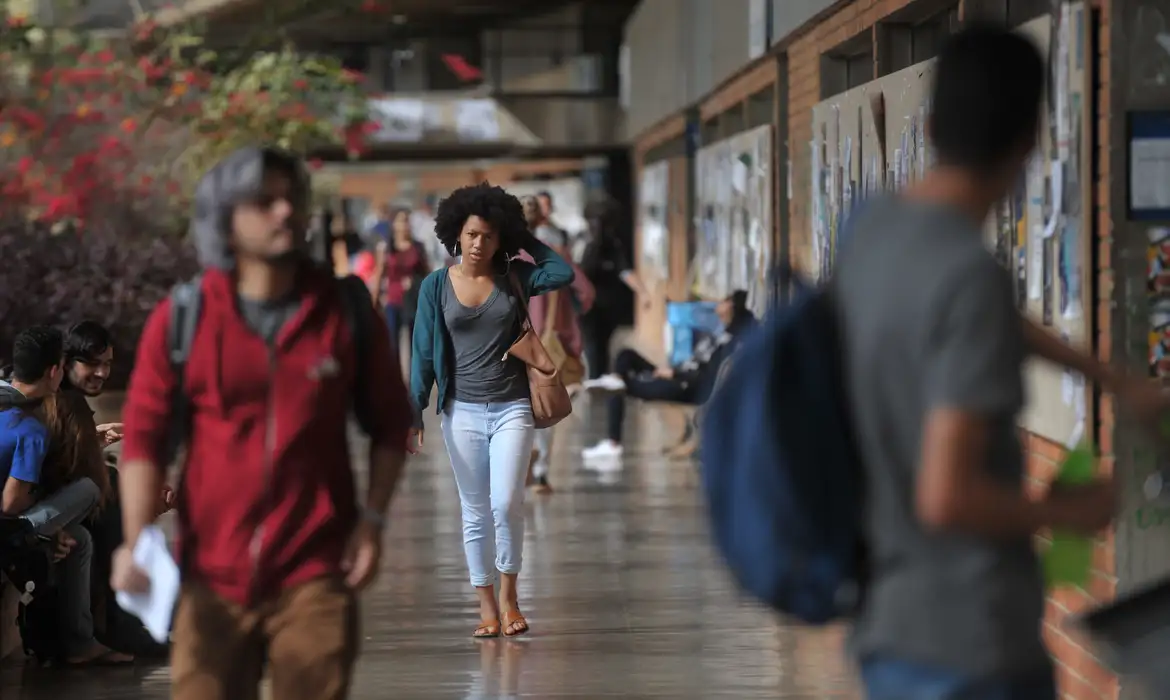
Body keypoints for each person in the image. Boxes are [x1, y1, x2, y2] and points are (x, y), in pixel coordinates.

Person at [834, 25, 1168, 699]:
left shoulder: (872, 232)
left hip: (887, 625)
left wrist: (1105, 375)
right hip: (968, 645)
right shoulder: (968, 278)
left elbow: (968, 317)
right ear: (1029, 142)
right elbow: (948, 496)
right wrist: (1067, 512)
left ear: (931, 128)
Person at [111, 146, 413, 700]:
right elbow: (144, 440)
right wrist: (135, 539)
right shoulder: (184, 318)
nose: (285, 211)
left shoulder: (342, 310)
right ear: (226, 216)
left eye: (292, 198)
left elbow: (392, 424)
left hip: (316, 570)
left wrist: (372, 521)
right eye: (264, 201)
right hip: (210, 577)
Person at [409, 182, 574, 638]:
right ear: (456, 235)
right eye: (472, 234)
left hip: (512, 407)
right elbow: (422, 353)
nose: (479, 243)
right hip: (460, 412)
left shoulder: (514, 277)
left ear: (500, 237)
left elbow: (560, 272)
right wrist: (414, 410)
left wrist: (523, 238)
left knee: (506, 502)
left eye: (489, 235)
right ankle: (485, 603)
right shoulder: (435, 286)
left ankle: (509, 596)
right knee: (475, 511)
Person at [0, 325, 131, 665]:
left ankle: (79, 643)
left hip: (13, 522)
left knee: (80, 541)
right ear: (54, 371)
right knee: (90, 488)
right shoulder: (29, 426)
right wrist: (46, 526)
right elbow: (11, 503)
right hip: (9, 531)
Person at [47, 320, 172, 656]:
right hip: (46, 511)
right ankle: (119, 621)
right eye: (92, 363)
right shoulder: (62, 403)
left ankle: (126, 615)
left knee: (113, 481)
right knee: (111, 486)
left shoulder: (70, 400)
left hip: (62, 504)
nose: (102, 373)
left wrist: (94, 445)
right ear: (67, 363)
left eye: (107, 364)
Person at [581, 290, 754, 462]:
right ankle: (616, 378)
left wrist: (674, 374)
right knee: (626, 355)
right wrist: (670, 371)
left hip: (686, 387)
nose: (717, 306)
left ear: (731, 307)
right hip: (680, 378)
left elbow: (707, 375)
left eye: (723, 301)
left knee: (617, 388)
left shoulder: (731, 342)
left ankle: (613, 442)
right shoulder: (724, 333)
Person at [520, 195, 595, 494]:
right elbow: (586, 291)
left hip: (510, 342)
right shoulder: (555, 254)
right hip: (547, 341)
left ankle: (518, 460)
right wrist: (568, 317)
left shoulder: (503, 257)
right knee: (544, 406)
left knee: (515, 406)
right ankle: (540, 472)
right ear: (541, 219)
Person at [578, 196, 651, 378]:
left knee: (602, 347)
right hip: (588, 307)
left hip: (606, 307)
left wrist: (642, 292)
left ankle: (599, 379)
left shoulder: (612, 245)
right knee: (593, 348)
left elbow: (624, 271)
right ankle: (596, 379)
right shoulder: (582, 243)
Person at [352, 205, 430, 359]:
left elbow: (427, 274)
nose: (404, 225)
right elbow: (379, 274)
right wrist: (373, 301)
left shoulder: (418, 247)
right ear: (393, 224)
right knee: (392, 345)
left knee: (414, 345)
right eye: (400, 221)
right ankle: (396, 373)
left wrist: (418, 285)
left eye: (406, 221)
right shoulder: (387, 248)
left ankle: (414, 374)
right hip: (393, 301)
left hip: (413, 301)